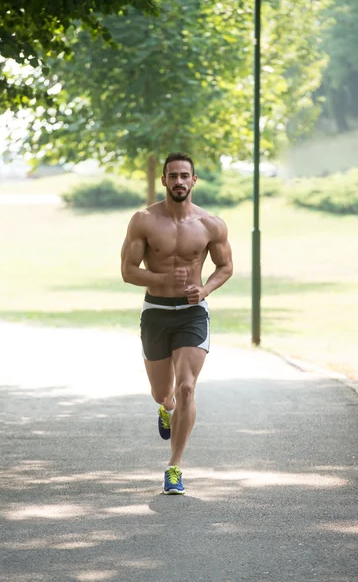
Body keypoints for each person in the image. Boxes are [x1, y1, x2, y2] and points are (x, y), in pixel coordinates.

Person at [121, 151, 233, 494]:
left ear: (194, 180)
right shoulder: (144, 220)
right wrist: (162, 277)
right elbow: (127, 272)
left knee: (187, 387)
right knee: (162, 392)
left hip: (192, 314)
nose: (180, 181)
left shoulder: (210, 224)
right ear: (164, 180)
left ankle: (174, 467)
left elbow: (225, 267)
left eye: (186, 175)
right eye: (174, 176)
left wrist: (205, 289)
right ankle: (166, 408)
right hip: (155, 311)